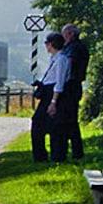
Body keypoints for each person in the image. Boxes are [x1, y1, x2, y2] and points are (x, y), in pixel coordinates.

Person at [30, 31, 70, 162]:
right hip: (48, 93)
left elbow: (59, 82)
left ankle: (51, 155)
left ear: (52, 44)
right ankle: (43, 155)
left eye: (47, 43)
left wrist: (53, 102)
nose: (46, 46)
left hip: (53, 95)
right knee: (42, 124)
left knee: (45, 124)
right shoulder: (54, 59)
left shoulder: (61, 60)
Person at [57, 23, 88, 161]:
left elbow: (68, 67)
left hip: (70, 87)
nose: (62, 37)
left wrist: (61, 82)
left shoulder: (73, 48)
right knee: (70, 121)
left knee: (69, 121)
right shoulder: (77, 47)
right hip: (74, 86)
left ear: (70, 34)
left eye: (64, 34)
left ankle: (75, 152)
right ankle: (73, 151)